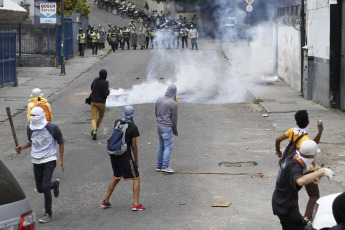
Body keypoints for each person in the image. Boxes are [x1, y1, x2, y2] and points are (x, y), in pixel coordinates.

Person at [15, 106, 64, 223]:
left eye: (35, 116)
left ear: (41, 116)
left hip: (49, 159)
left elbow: (61, 142)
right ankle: (55, 184)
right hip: (36, 160)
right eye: (31, 115)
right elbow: (30, 141)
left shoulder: (52, 127)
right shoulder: (30, 128)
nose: (33, 118)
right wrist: (21, 147)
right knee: (40, 188)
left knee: (45, 187)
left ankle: (48, 213)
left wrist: (61, 160)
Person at [272, 140, 335, 230]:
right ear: (314, 155)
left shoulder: (295, 154)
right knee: (305, 228)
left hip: (280, 201)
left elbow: (308, 156)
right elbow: (300, 181)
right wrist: (322, 171)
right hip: (286, 207)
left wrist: (315, 170)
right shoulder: (295, 166)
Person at [275, 110, 324, 222]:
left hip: (292, 165)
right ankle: (306, 218)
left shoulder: (292, 131)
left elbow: (278, 140)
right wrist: (320, 132)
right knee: (314, 195)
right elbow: (311, 148)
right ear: (308, 122)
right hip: (305, 169)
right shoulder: (305, 139)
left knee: (292, 192)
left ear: (296, 122)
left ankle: (288, 214)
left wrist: (278, 152)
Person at [100, 105, 145, 211]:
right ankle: (136, 204)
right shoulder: (133, 127)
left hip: (114, 155)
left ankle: (105, 201)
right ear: (132, 114)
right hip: (125, 156)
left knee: (117, 177)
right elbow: (133, 145)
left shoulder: (117, 122)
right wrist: (136, 161)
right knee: (136, 178)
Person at [155, 84, 178, 173]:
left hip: (159, 126)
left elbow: (156, 112)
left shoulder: (159, 99)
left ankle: (159, 166)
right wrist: (175, 130)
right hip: (167, 127)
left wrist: (159, 121)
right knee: (168, 146)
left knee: (161, 146)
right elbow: (174, 119)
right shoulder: (173, 103)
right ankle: (165, 166)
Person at [90, 69, 110, 140]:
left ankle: (94, 130)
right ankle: (95, 129)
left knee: (93, 118)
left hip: (93, 101)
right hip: (101, 102)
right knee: (101, 117)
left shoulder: (95, 80)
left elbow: (91, 88)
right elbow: (105, 93)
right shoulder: (105, 82)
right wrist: (108, 92)